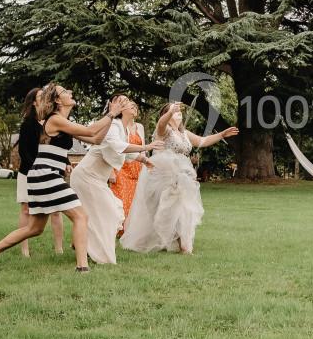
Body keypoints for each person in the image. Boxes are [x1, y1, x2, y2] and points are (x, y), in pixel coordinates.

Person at [0, 86, 124, 273]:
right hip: (46, 174)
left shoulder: (63, 121)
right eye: (65, 92)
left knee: (34, 229)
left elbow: (96, 139)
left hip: (43, 175)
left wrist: (111, 118)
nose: (70, 92)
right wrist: (111, 114)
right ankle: (82, 267)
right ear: (58, 101)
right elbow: (91, 130)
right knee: (81, 216)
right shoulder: (54, 119)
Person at [121, 101, 238, 254]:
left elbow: (202, 141)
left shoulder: (184, 133)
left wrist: (222, 134)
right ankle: (181, 244)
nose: (178, 113)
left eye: (178, 111)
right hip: (163, 175)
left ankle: (184, 244)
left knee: (184, 208)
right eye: (174, 112)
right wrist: (170, 111)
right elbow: (161, 123)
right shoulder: (163, 130)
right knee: (169, 209)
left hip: (183, 174)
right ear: (166, 114)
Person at [73, 96, 163, 264]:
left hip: (96, 178)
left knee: (107, 213)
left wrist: (144, 160)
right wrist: (146, 147)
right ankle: (93, 252)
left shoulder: (125, 129)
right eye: (123, 101)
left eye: (128, 100)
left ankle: (85, 247)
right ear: (117, 108)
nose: (128, 103)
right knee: (109, 213)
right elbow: (116, 146)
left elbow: (126, 152)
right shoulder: (113, 125)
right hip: (86, 176)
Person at [14, 88, 64, 257]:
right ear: (34, 102)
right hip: (28, 173)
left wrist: (64, 162)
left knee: (56, 210)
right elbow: (24, 152)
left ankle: (59, 249)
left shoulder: (51, 121)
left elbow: (55, 147)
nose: (45, 99)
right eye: (41, 97)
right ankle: (25, 250)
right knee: (26, 210)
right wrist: (37, 168)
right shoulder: (28, 123)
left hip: (50, 172)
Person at [108, 97, 153, 231]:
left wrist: (146, 164)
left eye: (135, 107)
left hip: (136, 166)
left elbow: (142, 146)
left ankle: (130, 230)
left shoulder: (140, 127)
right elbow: (114, 148)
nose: (134, 108)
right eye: (131, 106)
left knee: (134, 200)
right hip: (122, 167)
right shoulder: (118, 125)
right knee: (122, 198)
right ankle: (120, 229)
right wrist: (111, 171)